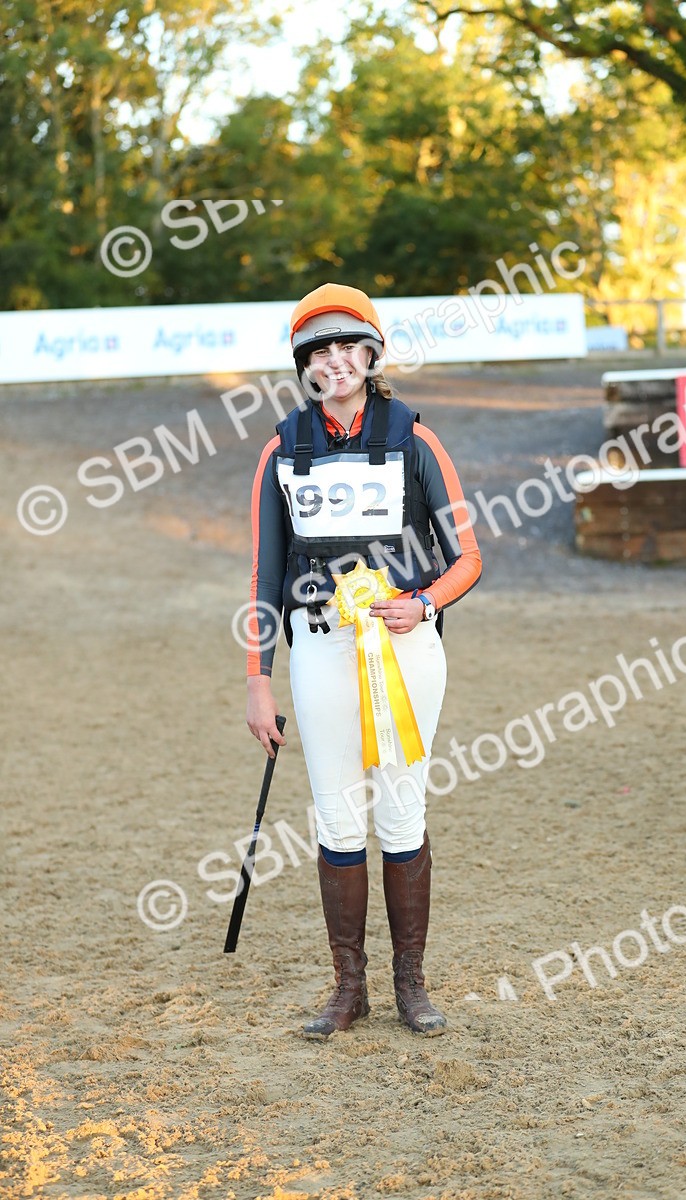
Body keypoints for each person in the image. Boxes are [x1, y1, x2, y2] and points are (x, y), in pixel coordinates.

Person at [245, 283, 481, 1039]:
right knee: (338, 819)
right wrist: (257, 680)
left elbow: (468, 556)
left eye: (348, 346)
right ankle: (350, 990)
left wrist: (426, 604)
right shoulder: (282, 450)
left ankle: (411, 986)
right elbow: (262, 575)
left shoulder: (417, 438)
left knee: (403, 810)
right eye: (320, 351)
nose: (335, 361)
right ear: (306, 365)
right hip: (318, 648)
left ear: (370, 356)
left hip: (405, 646)